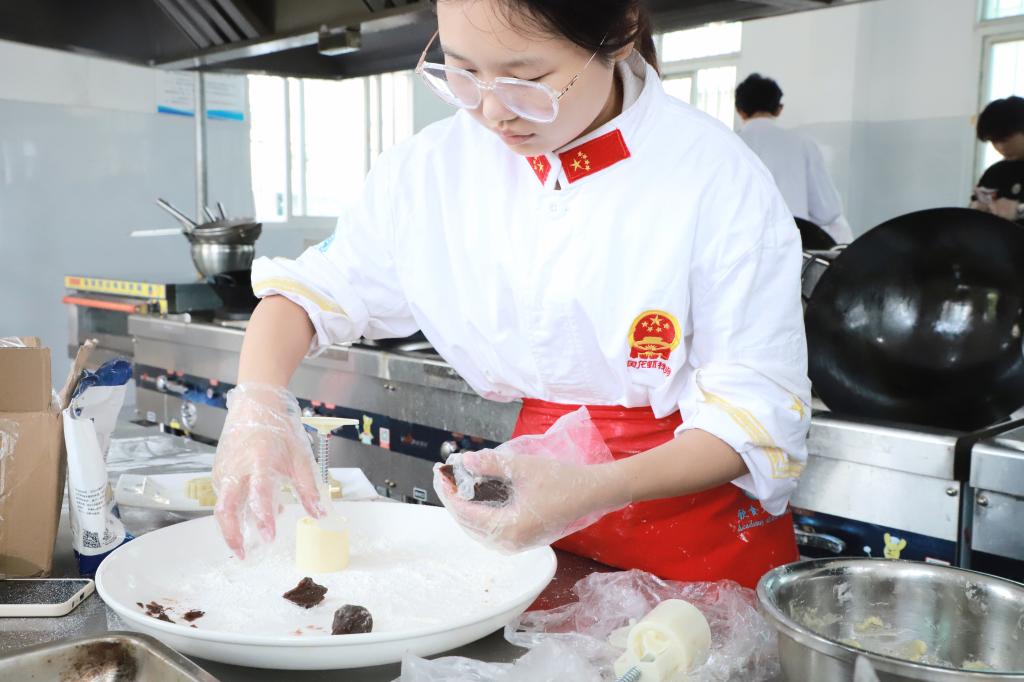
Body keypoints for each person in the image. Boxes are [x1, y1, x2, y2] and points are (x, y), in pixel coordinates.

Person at [212, 0, 811, 589]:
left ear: (622, 32)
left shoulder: (717, 177)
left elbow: (754, 417)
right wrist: (257, 403)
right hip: (538, 527)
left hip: (699, 544)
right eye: (463, 72)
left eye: (527, 79)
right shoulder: (430, 170)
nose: (493, 112)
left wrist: (597, 487)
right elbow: (309, 293)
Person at [735, 73, 853, 244]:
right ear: (779, 109)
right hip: (791, 246)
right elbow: (828, 212)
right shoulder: (804, 143)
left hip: (739, 245)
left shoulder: (731, 144)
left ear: (739, 110)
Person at [972, 96, 1024, 223]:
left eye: (1004, 139)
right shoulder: (995, 172)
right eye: (994, 141)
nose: (1000, 147)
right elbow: (976, 204)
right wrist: (976, 209)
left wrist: (1018, 209)